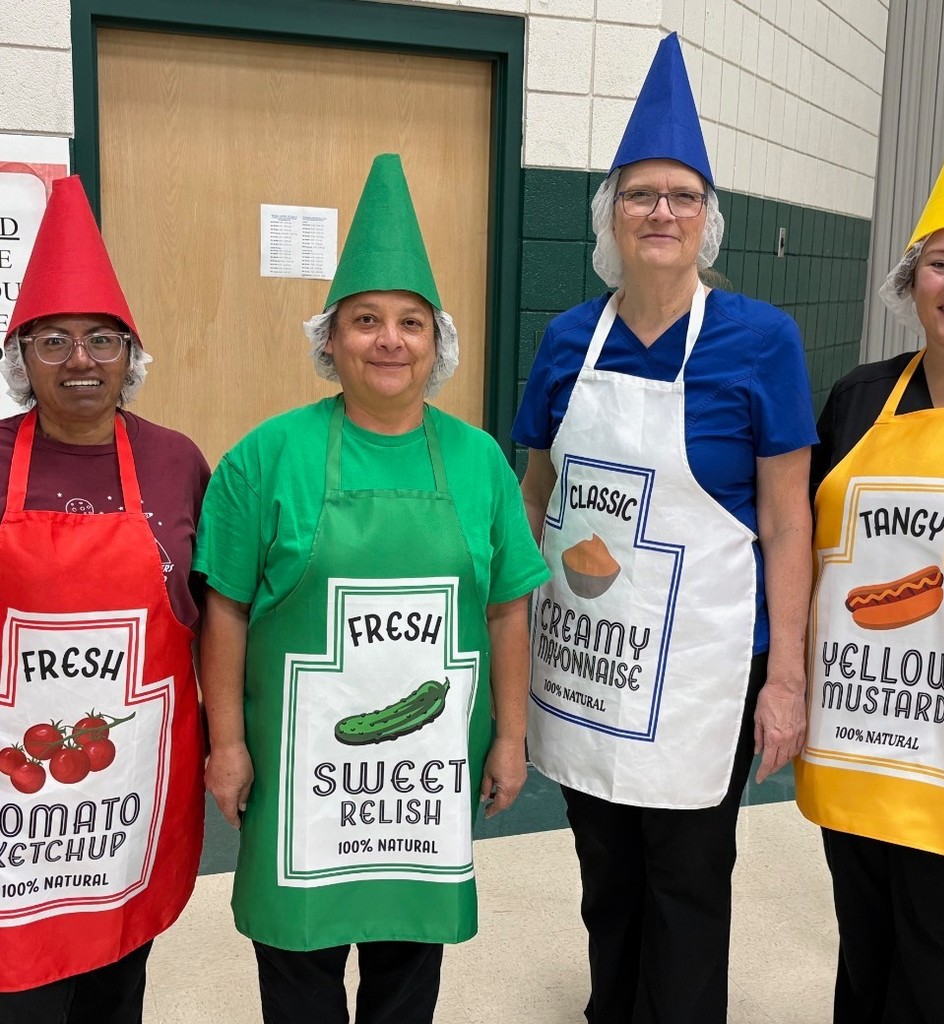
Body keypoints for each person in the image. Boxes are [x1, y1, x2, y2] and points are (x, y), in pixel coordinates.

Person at [196, 153, 549, 1024]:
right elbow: (224, 610)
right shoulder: (265, 457)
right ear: (330, 341)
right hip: (297, 771)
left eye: (410, 323)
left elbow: (508, 608)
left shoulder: (479, 462)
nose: (390, 340)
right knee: (297, 966)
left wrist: (511, 736)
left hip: (421, 778)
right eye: (365, 321)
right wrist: (227, 744)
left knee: (406, 965)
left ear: (437, 343)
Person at [512, 33, 817, 1024]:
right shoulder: (569, 338)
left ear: (707, 219)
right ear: (610, 212)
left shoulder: (760, 340)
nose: (661, 212)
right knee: (605, 867)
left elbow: (788, 520)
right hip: (591, 657)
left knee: (687, 877)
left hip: (704, 670)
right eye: (640, 194)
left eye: (682, 197)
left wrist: (785, 677)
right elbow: (533, 497)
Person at [795, 108, 944, 1024]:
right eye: (940, 264)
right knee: (868, 963)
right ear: (910, 282)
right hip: (862, 746)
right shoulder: (859, 398)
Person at [0, 176, 208, 1020]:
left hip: (126, 786)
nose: (80, 360)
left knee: (116, 983)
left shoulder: (176, 460)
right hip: (13, 781)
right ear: (21, 359)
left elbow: (212, 612)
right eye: (52, 341)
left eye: (101, 339)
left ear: (130, 355)